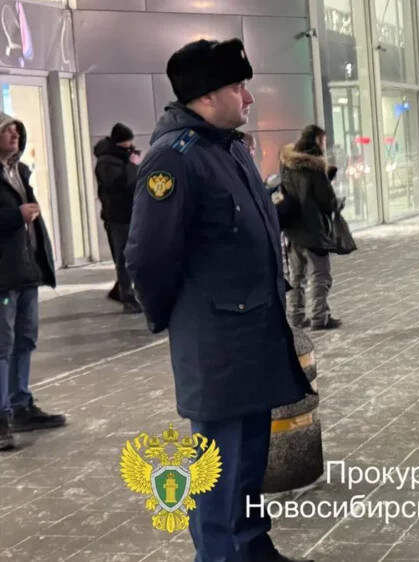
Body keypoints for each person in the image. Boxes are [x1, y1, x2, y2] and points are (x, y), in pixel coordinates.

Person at [124, 38, 313, 562]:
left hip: (253, 335)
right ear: (207, 95)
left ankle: (251, 548)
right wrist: (186, 323)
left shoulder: (227, 148)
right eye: (237, 86)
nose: (248, 97)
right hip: (218, 345)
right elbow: (147, 257)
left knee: (249, 462)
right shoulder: (175, 159)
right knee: (218, 473)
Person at [0, 112, 64, 451]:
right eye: (7, 130)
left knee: (25, 340)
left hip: (26, 271)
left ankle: (20, 404)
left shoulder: (19, 171)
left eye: (16, 130)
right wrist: (16, 215)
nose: (14, 135)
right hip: (4, 276)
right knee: (2, 345)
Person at [280, 125, 340, 330]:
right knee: (320, 275)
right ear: (316, 140)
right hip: (313, 231)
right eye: (323, 140)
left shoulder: (287, 165)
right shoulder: (315, 167)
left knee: (297, 277)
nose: (324, 145)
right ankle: (319, 317)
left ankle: (295, 317)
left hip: (293, 230)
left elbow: (291, 193)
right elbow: (326, 200)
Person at [95, 123, 142, 314]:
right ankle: (127, 297)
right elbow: (122, 185)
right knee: (124, 258)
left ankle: (121, 291)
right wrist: (133, 165)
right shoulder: (107, 162)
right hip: (118, 217)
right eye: (128, 141)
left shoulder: (124, 157)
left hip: (131, 213)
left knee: (131, 257)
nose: (130, 144)